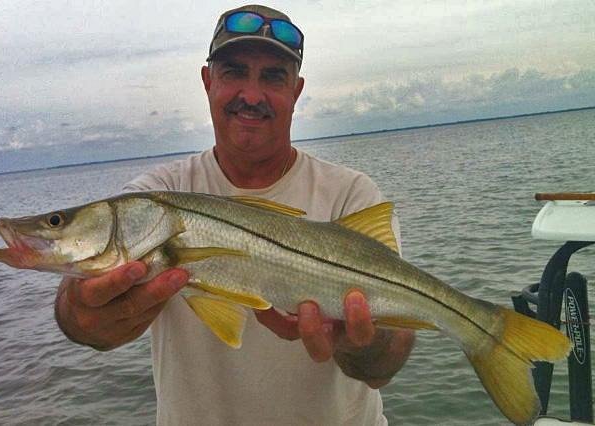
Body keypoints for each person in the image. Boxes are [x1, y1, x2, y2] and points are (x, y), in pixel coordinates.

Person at [54, 4, 415, 425]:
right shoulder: (158, 196)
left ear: (296, 91)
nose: (251, 95)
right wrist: (82, 314)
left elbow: (385, 363)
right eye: (233, 72)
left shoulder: (352, 193)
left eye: (273, 77)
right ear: (208, 81)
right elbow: (76, 314)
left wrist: (360, 341)